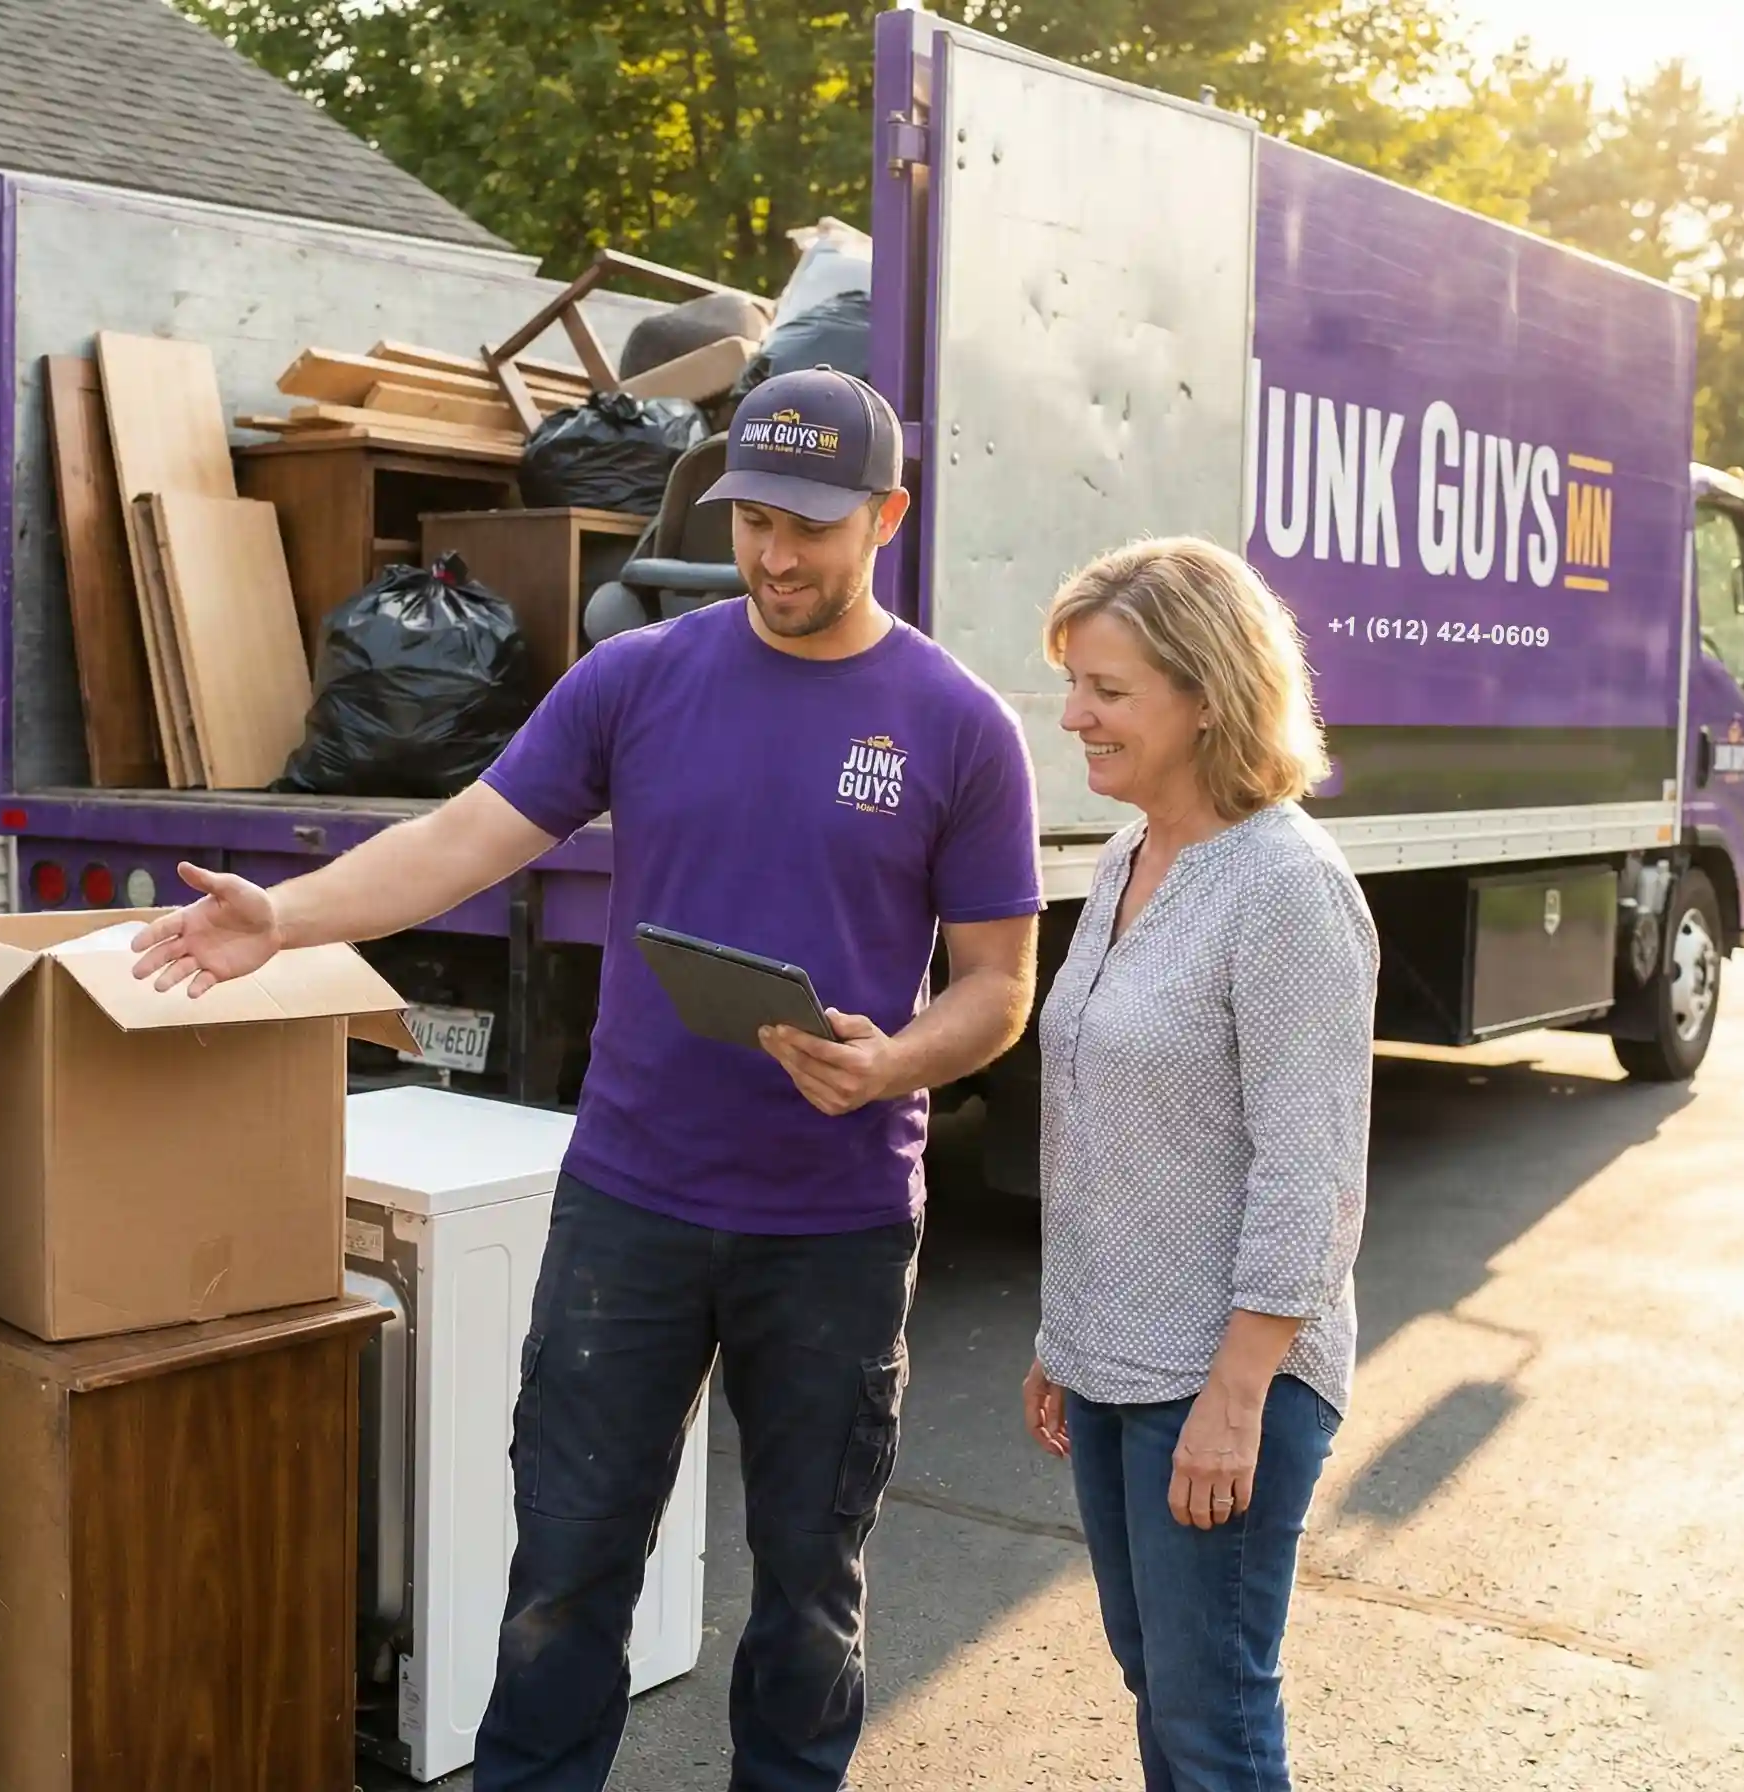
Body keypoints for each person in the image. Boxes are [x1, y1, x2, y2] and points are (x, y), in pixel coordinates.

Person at [131, 367, 1044, 1790]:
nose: (776, 555)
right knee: (564, 1575)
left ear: (888, 516)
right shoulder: (639, 678)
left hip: (838, 1225)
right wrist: (285, 914)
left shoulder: (958, 725)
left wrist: (894, 1066)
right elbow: (462, 838)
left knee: (809, 1591)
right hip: (632, 1205)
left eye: (811, 525)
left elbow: (997, 985)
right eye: (753, 519)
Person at [1020, 538, 1377, 1792]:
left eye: (1107, 691)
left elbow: (1312, 1174)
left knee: (1212, 1719)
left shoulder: (1284, 888)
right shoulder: (1129, 857)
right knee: (1161, 1690)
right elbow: (1101, 1115)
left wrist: (1234, 1401)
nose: (1074, 716)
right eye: (1076, 685)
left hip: (1226, 1378)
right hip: (1120, 1357)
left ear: (1207, 693)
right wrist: (1069, 1334)